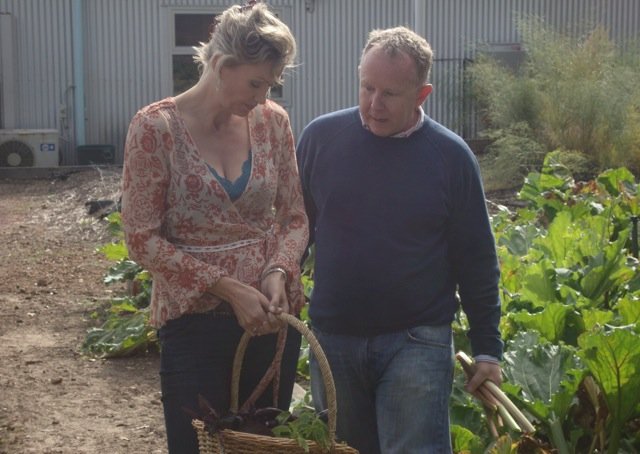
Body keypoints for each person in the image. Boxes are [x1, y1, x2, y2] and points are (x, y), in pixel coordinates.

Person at [296, 26, 503, 453]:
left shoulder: (450, 158)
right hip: (334, 335)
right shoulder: (321, 139)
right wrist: (282, 277)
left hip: (416, 341)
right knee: (344, 449)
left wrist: (487, 349)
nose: (373, 104)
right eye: (366, 87)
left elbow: (477, 259)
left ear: (421, 95)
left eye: (389, 93)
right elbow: (295, 228)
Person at [120, 3, 308, 453]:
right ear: (222, 66)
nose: (263, 97)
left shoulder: (273, 123)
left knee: (263, 444)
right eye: (256, 83)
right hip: (192, 323)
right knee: (197, 444)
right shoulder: (155, 128)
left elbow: (295, 217)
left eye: (271, 84)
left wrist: (278, 271)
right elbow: (141, 239)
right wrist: (227, 288)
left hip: (269, 319)